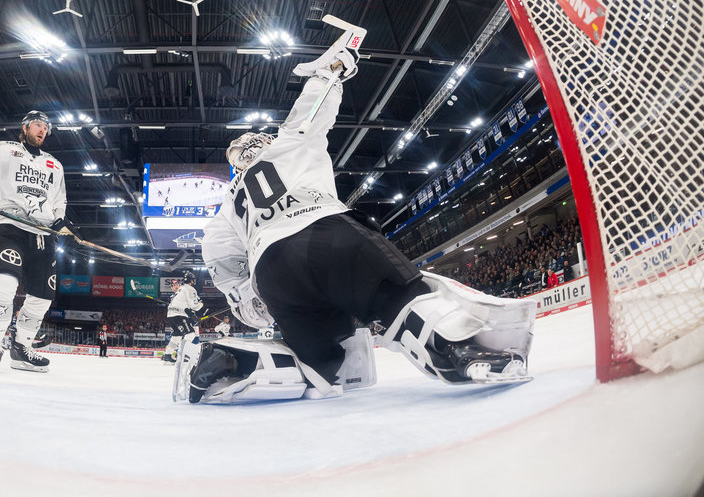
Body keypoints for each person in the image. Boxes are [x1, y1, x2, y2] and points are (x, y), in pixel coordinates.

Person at [192, 23, 535, 404]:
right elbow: (314, 105)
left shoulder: (228, 202)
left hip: (272, 272)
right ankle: (464, 354)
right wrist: (335, 68)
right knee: (400, 299)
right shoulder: (289, 141)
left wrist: (248, 300)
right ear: (264, 142)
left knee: (317, 367)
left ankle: (228, 361)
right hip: (325, 232)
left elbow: (219, 255)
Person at [0, 110, 66, 372]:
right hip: (11, 227)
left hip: (43, 235)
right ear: (25, 127)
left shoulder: (55, 165)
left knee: (42, 297)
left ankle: (21, 348)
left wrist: (60, 220)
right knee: (4, 283)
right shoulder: (5, 150)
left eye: (46, 127)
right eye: (38, 125)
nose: (43, 130)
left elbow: (60, 201)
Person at [162, 271, 203, 363]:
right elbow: (194, 306)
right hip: (179, 315)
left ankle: (168, 355)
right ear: (192, 281)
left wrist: (192, 315)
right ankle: (181, 354)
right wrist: (201, 305)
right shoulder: (190, 289)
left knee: (176, 335)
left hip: (170, 315)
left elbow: (185, 306)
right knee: (190, 334)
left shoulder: (181, 289)